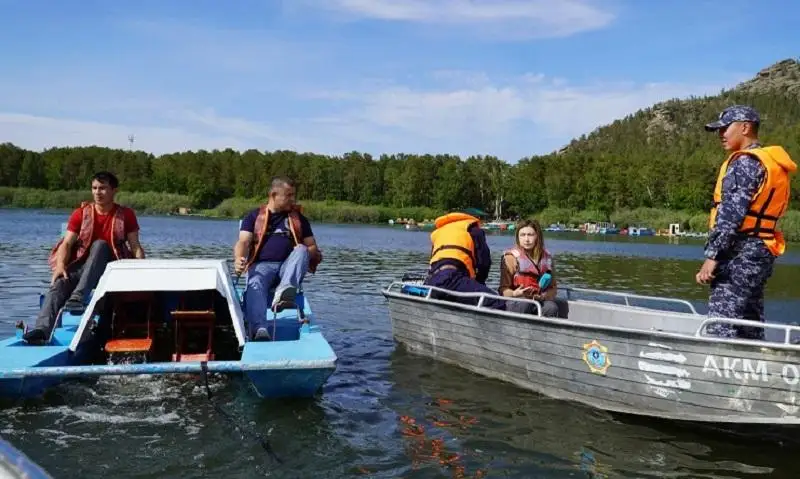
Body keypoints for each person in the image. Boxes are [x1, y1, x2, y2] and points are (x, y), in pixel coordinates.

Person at [698, 105, 797, 339]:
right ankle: (753, 367)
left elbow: (731, 215)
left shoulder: (744, 163)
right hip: (762, 248)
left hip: (740, 252)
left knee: (721, 321)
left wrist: (712, 257)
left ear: (744, 127)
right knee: (749, 319)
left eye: (724, 128)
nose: (720, 135)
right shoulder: (767, 161)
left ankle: (717, 370)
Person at [23, 171, 146, 345]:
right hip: (82, 267)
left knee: (100, 246)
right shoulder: (80, 213)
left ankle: (78, 299)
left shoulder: (126, 214)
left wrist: (140, 269)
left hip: (111, 271)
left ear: (114, 191)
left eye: (103, 188)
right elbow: (66, 244)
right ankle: (42, 330)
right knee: (59, 283)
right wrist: (60, 266)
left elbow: (135, 246)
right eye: (94, 188)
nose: (97, 192)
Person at [233, 176, 322, 341]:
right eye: (288, 195)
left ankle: (284, 292)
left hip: (288, 269)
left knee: (302, 249)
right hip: (262, 266)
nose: (293, 199)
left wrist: (311, 253)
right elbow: (243, 241)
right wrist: (239, 258)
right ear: (273, 195)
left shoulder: (298, 219)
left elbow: (311, 246)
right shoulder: (253, 217)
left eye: (293, 195)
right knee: (254, 281)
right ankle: (260, 329)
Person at [424, 211, 505, 309]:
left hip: (432, 280)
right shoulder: (474, 230)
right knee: (496, 301)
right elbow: (484, 262)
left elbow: (433, 260)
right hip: (452, 278)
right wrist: (480, 282)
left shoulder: (439, 232)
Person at [498, 219, 569, 318]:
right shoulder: (510, 258)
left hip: (539, 300)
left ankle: (542, 332)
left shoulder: (547, 258)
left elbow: (553, 288)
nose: (526, 239)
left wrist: (543, 296)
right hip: (516, 301)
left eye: (530, 235)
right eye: (522, 235)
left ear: (537, 236)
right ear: (518, 237)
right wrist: (515, 293)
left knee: (551, 307)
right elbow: (503, 291)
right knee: (525, 304)